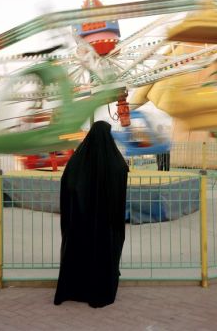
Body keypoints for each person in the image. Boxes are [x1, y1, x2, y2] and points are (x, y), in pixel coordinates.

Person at [54, 120, 129, 308]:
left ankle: (76, 289)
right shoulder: (114, 161)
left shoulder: (78, 160)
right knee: (103, 251)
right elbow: (121, 172)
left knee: (79, 251)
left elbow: (68, 182)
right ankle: (99, 289)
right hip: (105, 223)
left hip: (81, 222)